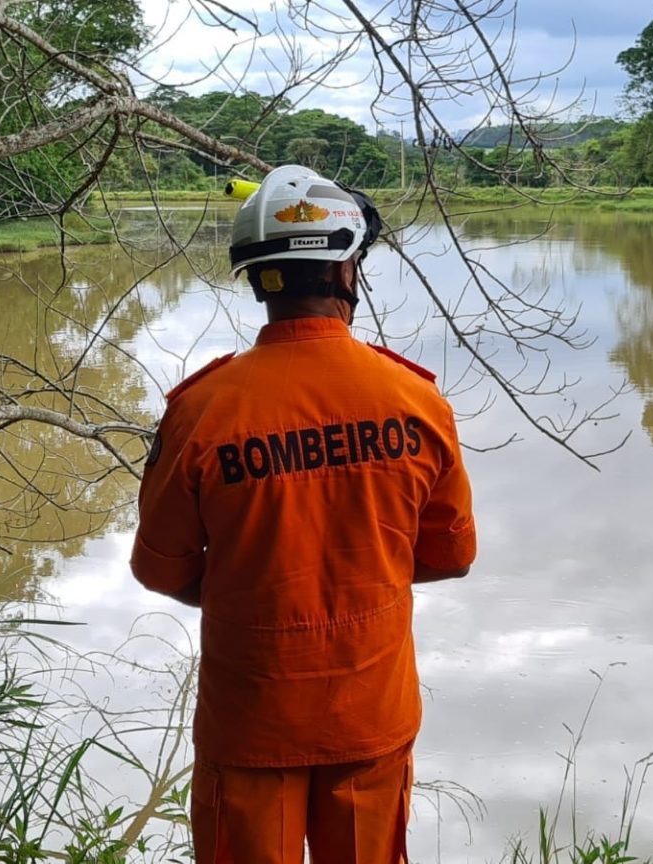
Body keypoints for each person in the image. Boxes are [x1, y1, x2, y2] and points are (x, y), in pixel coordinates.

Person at [130, 165, 477, 864]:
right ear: (349, 268)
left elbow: (159, 568)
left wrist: (248, 585)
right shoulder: (415, 402)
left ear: (258, 279)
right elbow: (449, 556)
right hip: (369, 716)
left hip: (251, 720)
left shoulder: (201, 411)